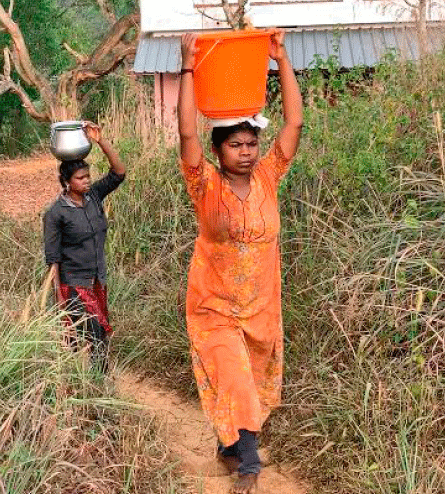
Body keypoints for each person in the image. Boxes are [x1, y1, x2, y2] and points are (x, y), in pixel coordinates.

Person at [177, 29, 303, 493]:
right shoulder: (203, 185)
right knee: (233, 375)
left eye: (251, 144)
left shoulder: (270, 177)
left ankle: (230, 446)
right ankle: (249, 466)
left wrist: (280, 59)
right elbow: (187, 130)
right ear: (218, 150)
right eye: (236, 145)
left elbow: (293, 124)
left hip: (261, 307)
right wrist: (189, 67)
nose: (247, 153)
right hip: (214, 306)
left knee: (252, 387)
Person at [43, 122, 126, 373]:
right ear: (67, 182)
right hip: (74, 285)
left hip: (97, 280)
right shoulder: (56, 214)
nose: (87, 181)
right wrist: (60, 298)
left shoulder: (94, 197)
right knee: (95, 335)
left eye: (88, 176)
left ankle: (93, 382)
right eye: (80, 178)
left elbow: (119, 173)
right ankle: (96, 384)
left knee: (97, 336)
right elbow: (53, 258)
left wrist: (100, 141)